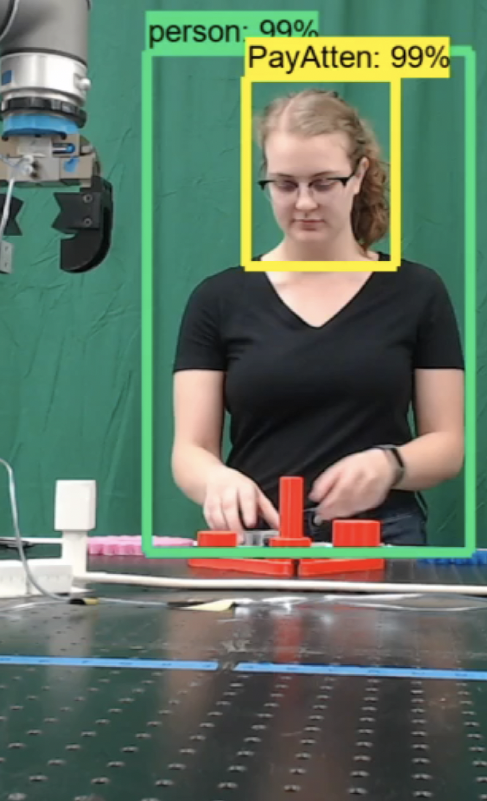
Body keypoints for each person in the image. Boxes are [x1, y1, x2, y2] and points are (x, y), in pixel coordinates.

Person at [170, 88, 465, 545]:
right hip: (258, 540)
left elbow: (447, 445)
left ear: (358, 176)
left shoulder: (417, 291)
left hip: (383, 537)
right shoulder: (218, 298)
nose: (304, 203)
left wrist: (390, 464)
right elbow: (191, 450)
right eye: (285, 184)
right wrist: (216, 481)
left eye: (324, 182)